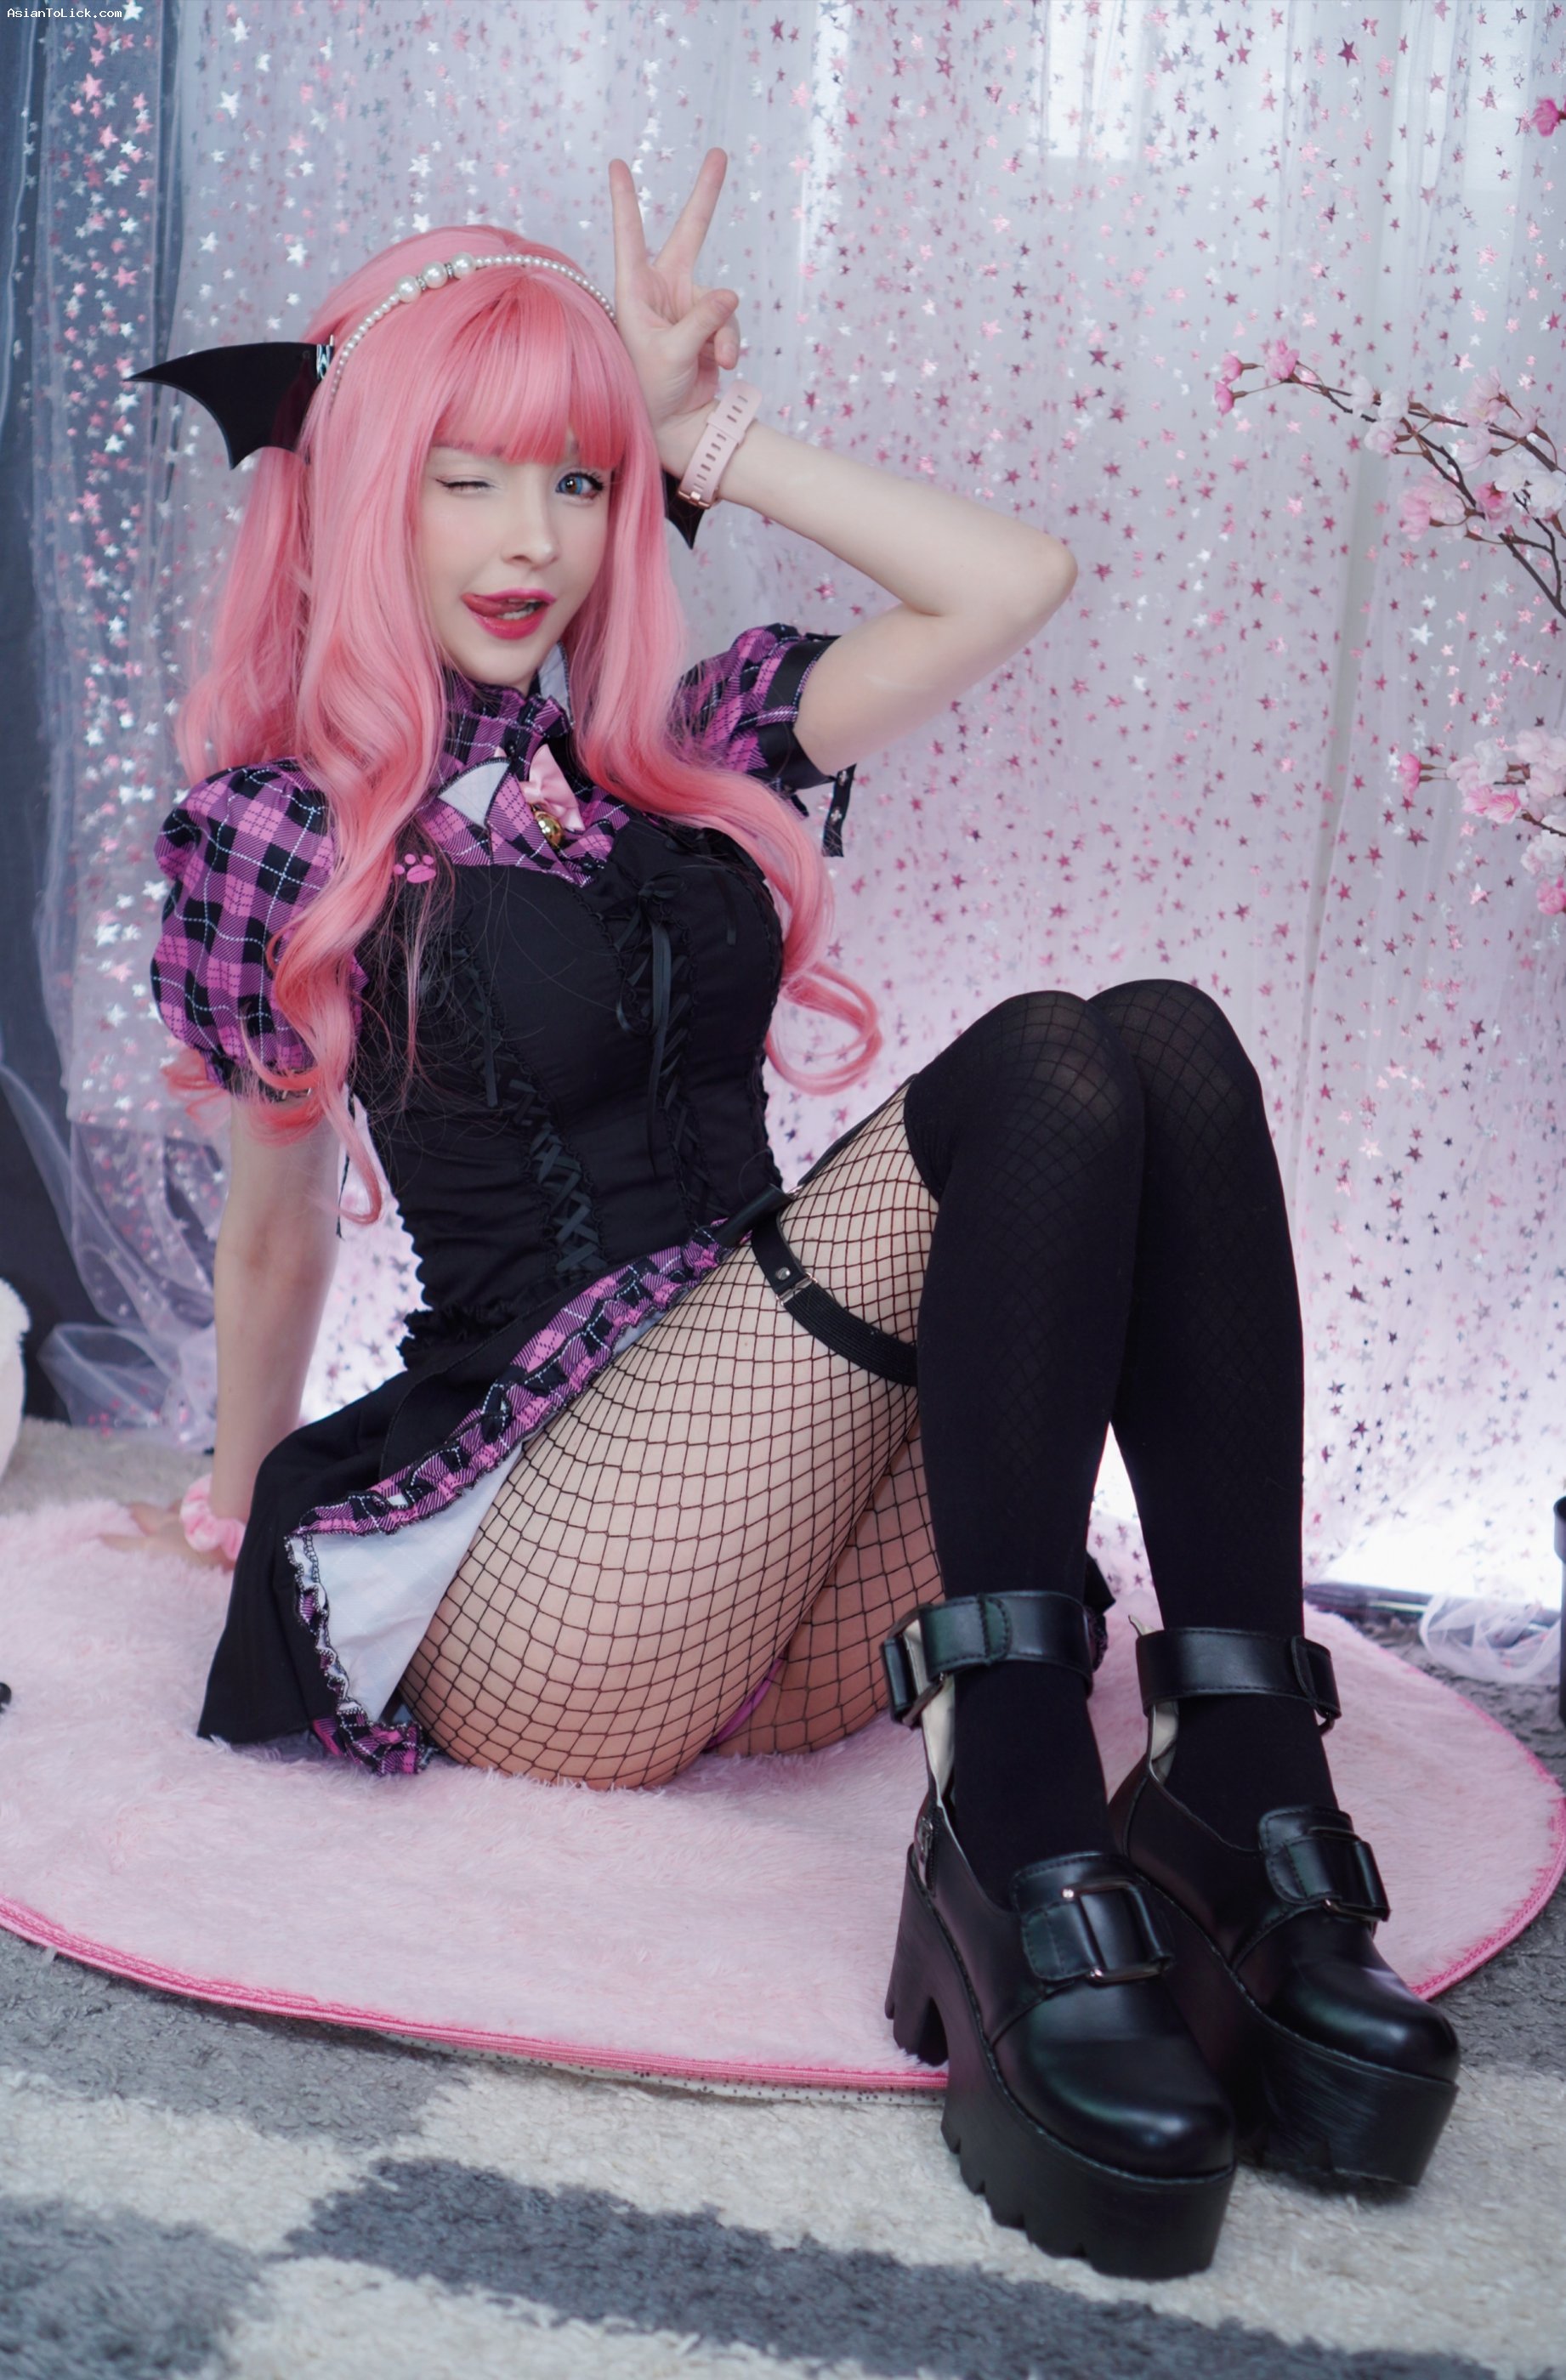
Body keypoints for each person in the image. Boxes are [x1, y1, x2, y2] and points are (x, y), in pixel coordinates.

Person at [125, 149, 1456, 2280]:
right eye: (466, 481)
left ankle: (1244, 1784)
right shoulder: (279, 832)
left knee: (1169, 1046)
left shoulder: (676, 737)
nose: (530, 539)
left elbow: (1008, 581)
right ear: (367, 490)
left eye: (575, 482)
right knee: (1041, 1064)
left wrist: (706, 432)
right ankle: (1014, 1827)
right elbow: (278, 1218)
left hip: (803, 1574)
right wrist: (222, 1493)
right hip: (559, 1580)